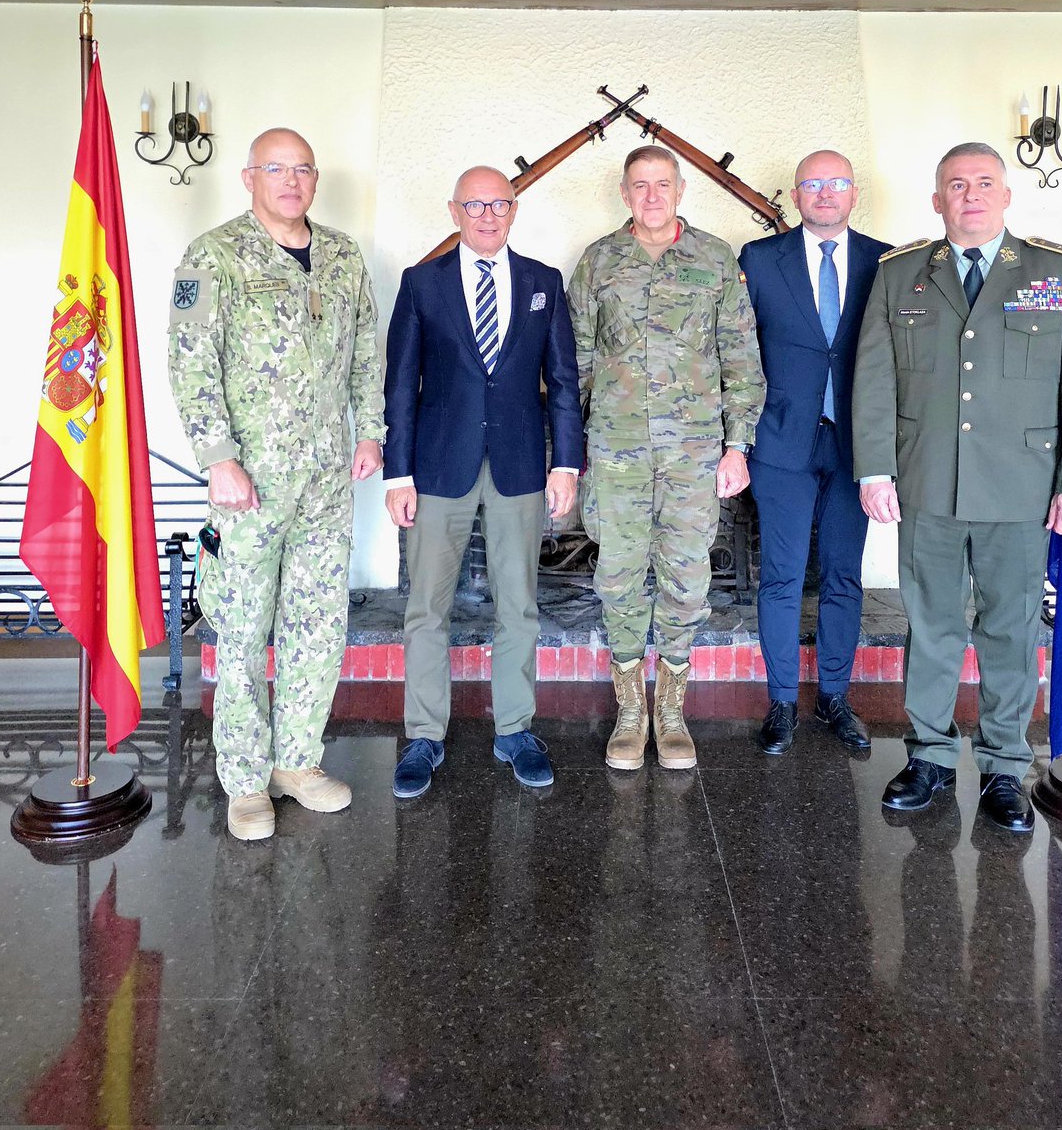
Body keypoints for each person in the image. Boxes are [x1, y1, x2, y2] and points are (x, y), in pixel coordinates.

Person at [851, 142, 1062, 831]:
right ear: (937, 200)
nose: (970, 195)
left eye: (984, 182)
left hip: (1021, 487)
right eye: (957, 184)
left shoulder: (1056, 272)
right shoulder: (900, 273)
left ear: (1006, 195)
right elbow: (874, 379)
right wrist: (875, 469)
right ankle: (930, 756)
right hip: (928, 481)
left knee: (1010, 629)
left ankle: (1004, 767)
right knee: (931, 625)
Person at [169, 127, 385, 841]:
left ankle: (296, 761)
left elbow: (366, 351)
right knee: (241, 627)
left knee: (316, 621)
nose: (291, 182)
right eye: (276, 169)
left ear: (315, 180)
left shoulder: (343, 256)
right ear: (249, 177)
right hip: (250, 479)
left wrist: (370, 431)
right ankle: (243, 779)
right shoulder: (213, 255)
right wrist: (217, 458)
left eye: (303, 170)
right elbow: (190, 360)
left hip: (325, 477)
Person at [384, 166, 582, 797]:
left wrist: (566, 464)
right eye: (475, 205)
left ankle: (515, 729)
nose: (488, 215)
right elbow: (400, 384)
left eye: (500, 204)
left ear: (514, 209)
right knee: (426, 607)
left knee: (519, 604)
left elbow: (564, 381)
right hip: (438, 466)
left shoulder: (544, 282)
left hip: (519, 464)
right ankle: (424, 735)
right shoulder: (422, 283)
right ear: (454, 211)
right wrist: (398, 473)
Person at [567, 145, 765, 771]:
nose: (651, 196)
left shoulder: (714, 259)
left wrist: (738, 446)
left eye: (662, 184)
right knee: (619, 575)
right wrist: (570, 452)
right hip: (616, 450)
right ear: (625, 194)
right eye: (640, 185)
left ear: (680, 191)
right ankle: (631, 712)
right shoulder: (599, 262)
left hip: (694, 453)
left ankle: (671, 710)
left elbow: (741, 360)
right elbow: (574, 363)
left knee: (686, 579)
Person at [739, 150, 891, 756]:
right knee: (780, 575)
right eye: (812, 184)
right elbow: (739, 351)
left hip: (858, 444)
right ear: (796, 195)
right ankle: (781, 701)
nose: (825, 193)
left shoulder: (886, 262)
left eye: (837, 183)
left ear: (854, 193)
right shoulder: (758, 259)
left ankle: (834, 696)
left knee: (843, 575)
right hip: (781, 440)